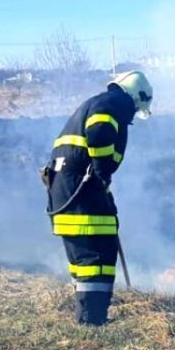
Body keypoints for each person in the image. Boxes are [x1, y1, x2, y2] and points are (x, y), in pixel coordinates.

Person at [44, 71, 153, 325]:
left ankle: (88, 316)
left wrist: (100, 178)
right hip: (81, 195)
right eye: (137, 108)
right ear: (137, 97)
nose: (135, 112)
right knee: (97, 258)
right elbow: (99, 133)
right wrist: (103, 171)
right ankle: (92, 321)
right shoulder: (111, 105)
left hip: (67, 193)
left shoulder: (96, 103)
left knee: (85, 259)